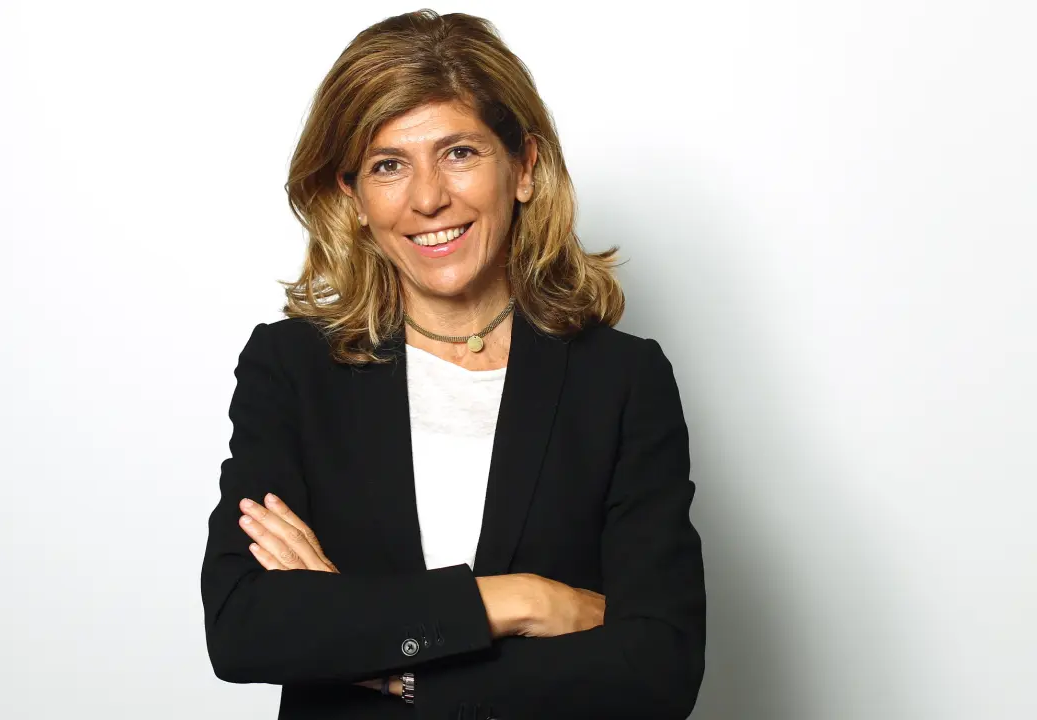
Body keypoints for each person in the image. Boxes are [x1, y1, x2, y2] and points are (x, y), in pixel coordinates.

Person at [200, 10, 705, 719]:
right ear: (353, 197)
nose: (428, 198)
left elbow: (659, 669)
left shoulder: (621, 381)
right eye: (388, 165)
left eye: (459, 152)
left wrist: (381, 658)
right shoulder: (292, 370)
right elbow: (245, 626)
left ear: (523, 168)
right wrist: (520, 600)